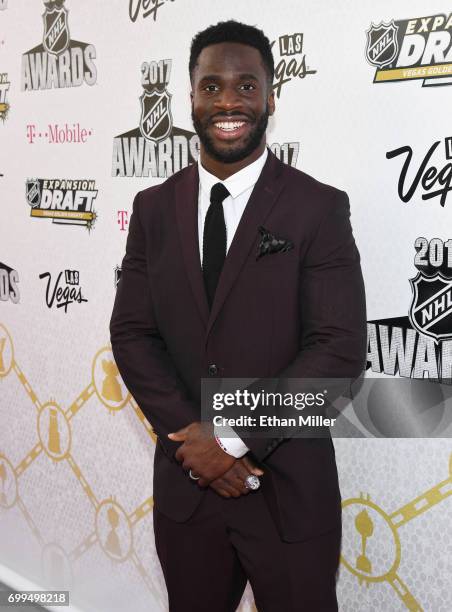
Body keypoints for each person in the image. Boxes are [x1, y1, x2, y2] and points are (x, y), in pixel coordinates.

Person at [110, 20, 366, 612]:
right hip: (188, 489)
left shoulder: (318, 208)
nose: (228, 101)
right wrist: (192, 445)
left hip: (287, 489)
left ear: (272, 97)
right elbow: (132, 334)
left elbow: (338, 348)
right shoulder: (152, 208)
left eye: (246, 86)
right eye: (212, 85)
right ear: (191, 97)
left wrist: (228, 437)